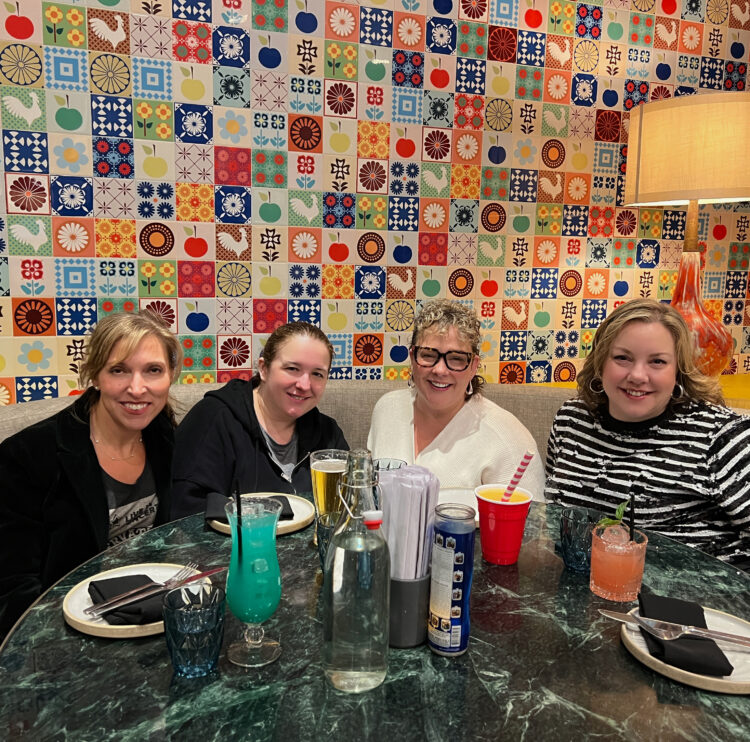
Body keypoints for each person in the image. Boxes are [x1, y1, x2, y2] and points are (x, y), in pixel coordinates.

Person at [0, 311, 183, 638]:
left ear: (170, 376)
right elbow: (11, 585)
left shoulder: (164, 437)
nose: (137, 388)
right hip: (65, 631)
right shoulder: (28, 455)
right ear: (95, 376)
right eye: (119, 370)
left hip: (145, 615)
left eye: (153, 370)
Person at [545, 298, 750, 569]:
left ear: (678, 370)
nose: (638, 375)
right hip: (578, 596)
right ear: (600, 363)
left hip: (691, 605)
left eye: (657, 361)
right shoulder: (571, 421)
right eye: (622, 358)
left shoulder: (723, 438)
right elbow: (553, 516)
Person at [367, 299, 545, 497]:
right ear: (412, 357)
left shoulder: (508, 438)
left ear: (473, 366)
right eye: (428, 355)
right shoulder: (387, 409)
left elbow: (532, 524)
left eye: (456, 359)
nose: (440, 369)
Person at [171, 322, 348, 518]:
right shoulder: (214, 419)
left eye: (317, 374)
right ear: (263, 369)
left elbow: (353, 504)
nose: (305, 384)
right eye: (292, 368)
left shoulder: (328, 434)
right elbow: (184, 516)